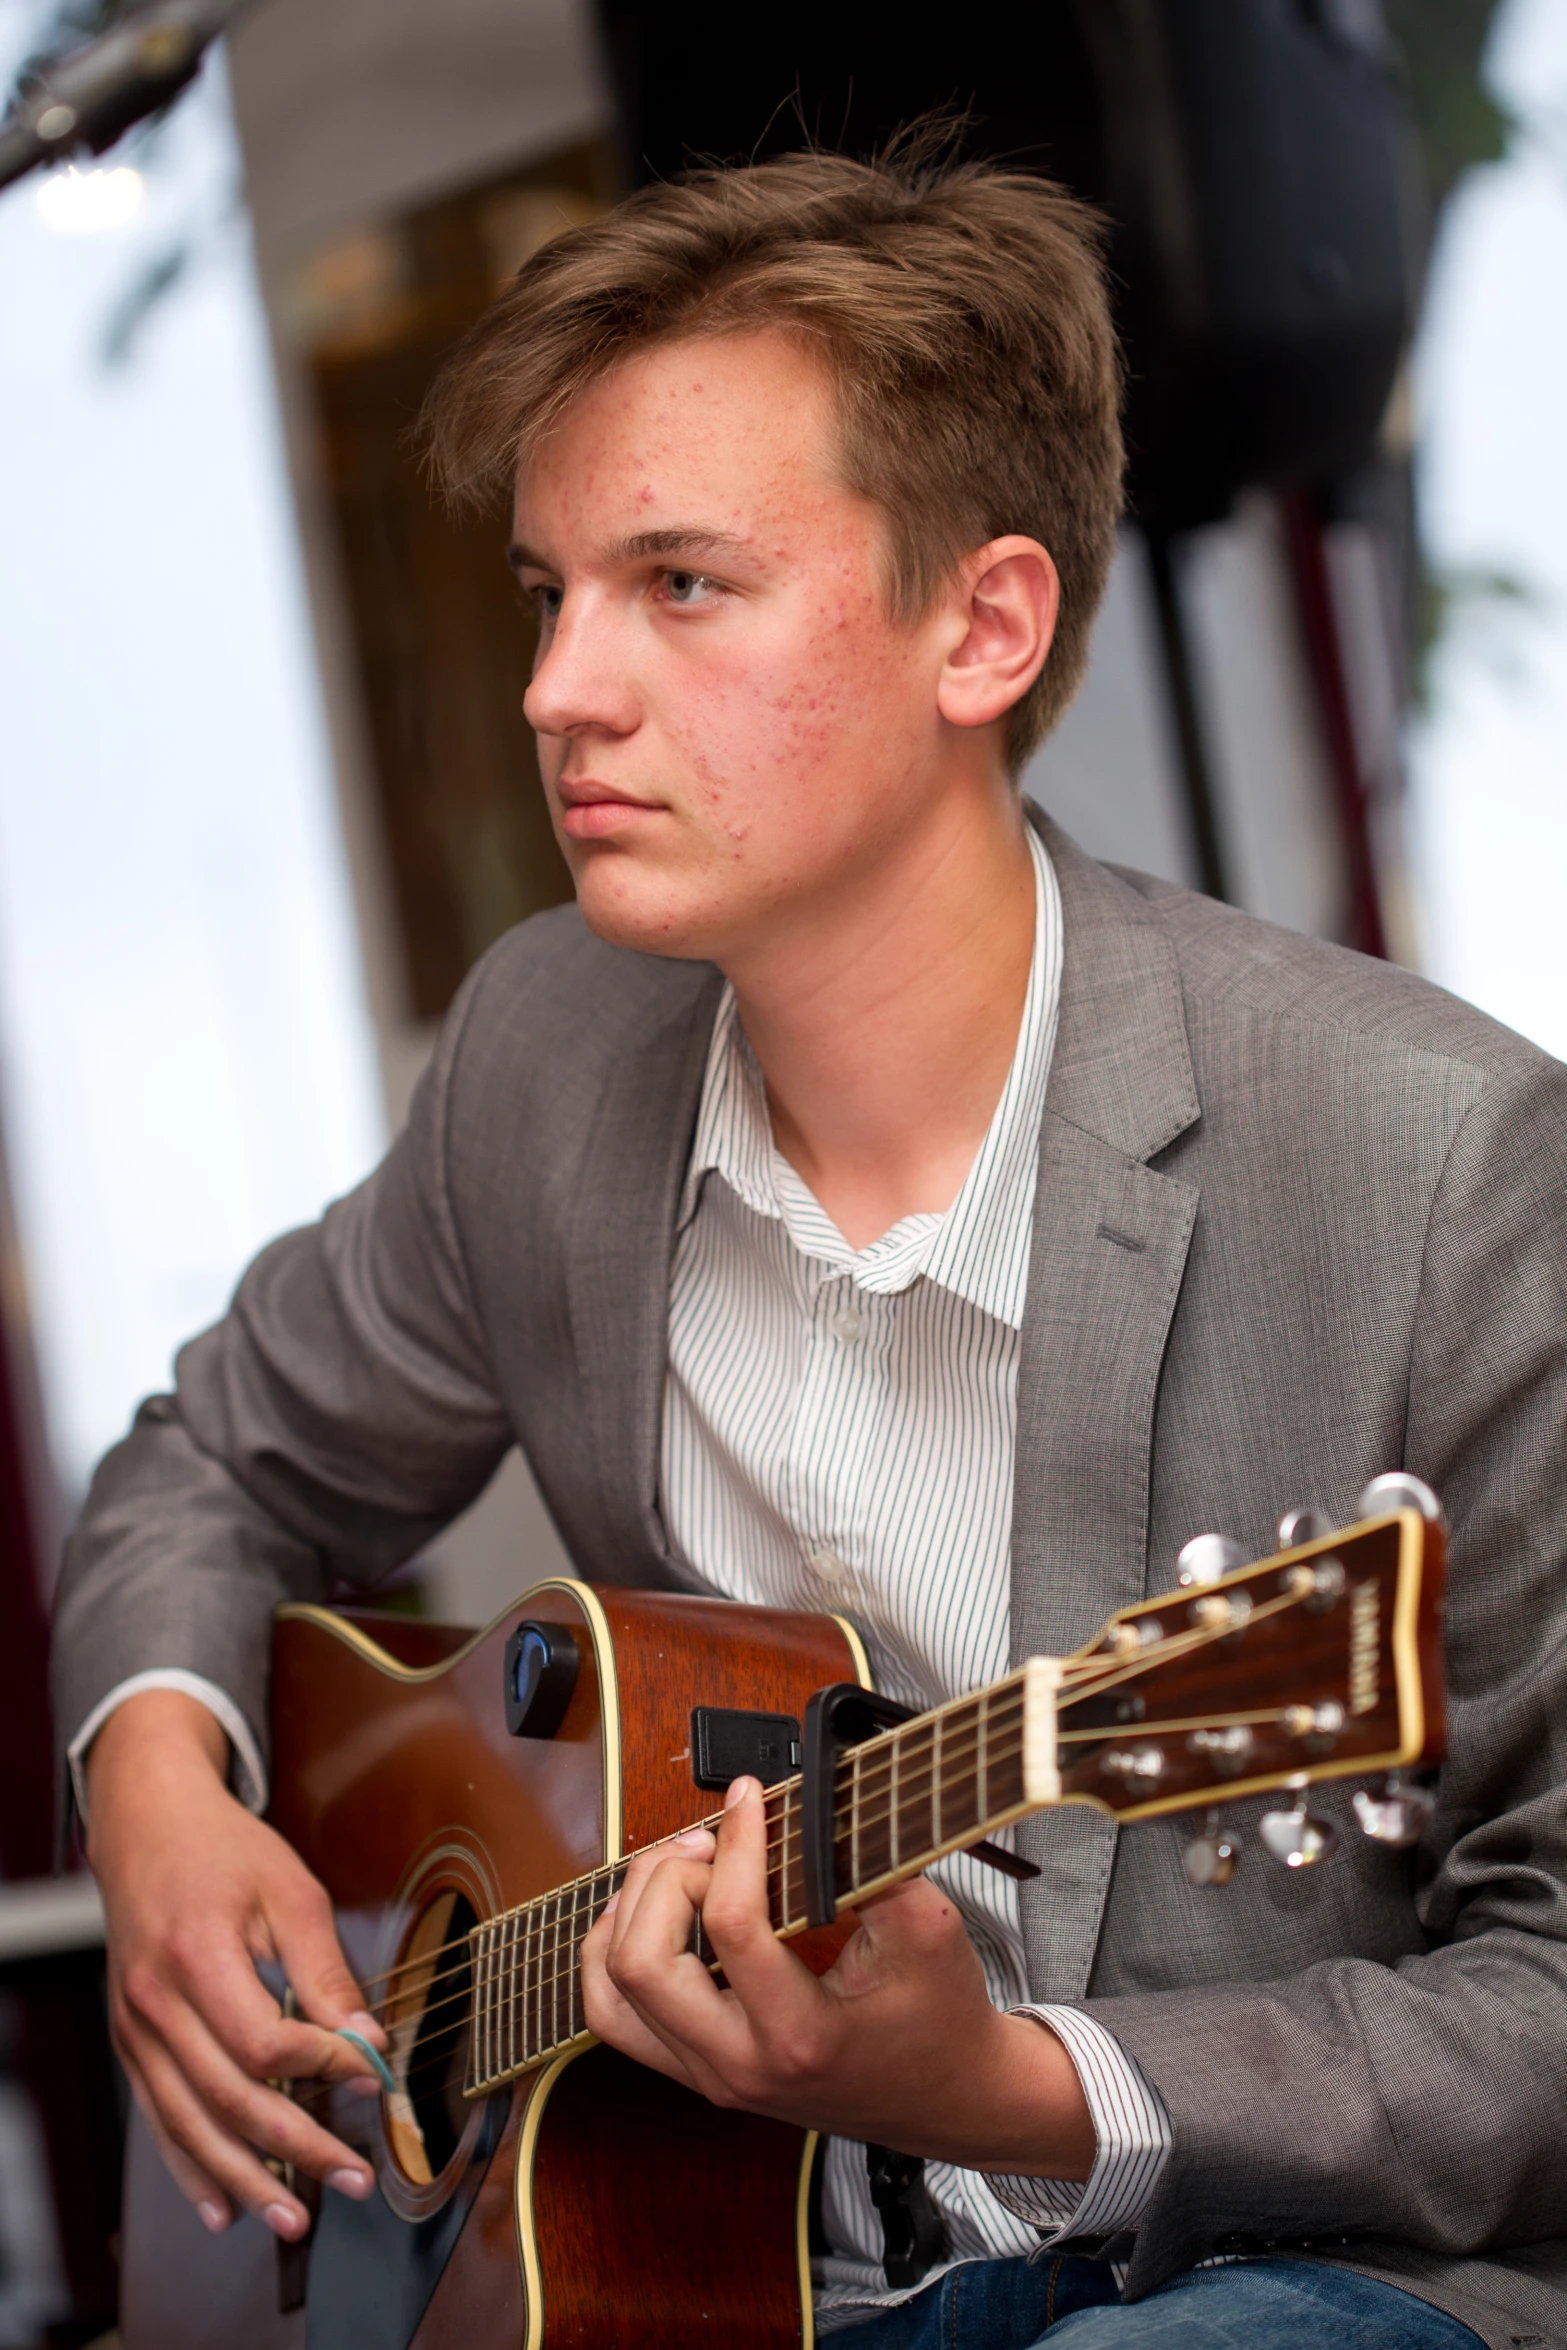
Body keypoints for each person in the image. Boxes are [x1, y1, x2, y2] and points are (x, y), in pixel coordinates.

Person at [53, 142, 1567, 2350]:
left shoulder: (1443, 1162)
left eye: (678, 583)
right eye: (546, 590)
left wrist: (1013, 2085)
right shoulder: (549, 1059)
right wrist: (160, 1794)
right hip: (714, 2276)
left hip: (1273, 2265)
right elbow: (213, 1457)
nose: (565, 685)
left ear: (988, 624)